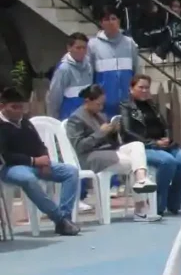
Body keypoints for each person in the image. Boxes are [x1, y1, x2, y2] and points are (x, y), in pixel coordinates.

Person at [66, 84, 159, 222]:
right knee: (133, 162)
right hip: (91, 157)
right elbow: (79, 146)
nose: (101, 108)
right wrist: (101, 132)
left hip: (109, 152)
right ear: (87, 101)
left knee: (137, 145)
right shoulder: (76, 119)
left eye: (103, 104)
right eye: (98, 104)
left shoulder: (100, 115)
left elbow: (113, 143)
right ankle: (141, 207)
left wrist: (114, 131)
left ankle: (141, 180)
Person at [0, 86, 80, 235]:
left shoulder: (25, 122)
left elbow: (39, 144)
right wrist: (33, 161)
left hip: (36, 163)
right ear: (2, 106)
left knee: (71, 172)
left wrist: (45, 160)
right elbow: (5, 156)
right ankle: (59, 218)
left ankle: (65, 218)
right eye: (14, 107)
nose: (18, 111)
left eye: (21, 107)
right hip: (11, 168)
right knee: (29, 179)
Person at [120, 74, 181, 216]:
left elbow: (164, 126)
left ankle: (174, 203)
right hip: (143, 146)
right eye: (140, 87)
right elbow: (127, 131)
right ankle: (158, 205)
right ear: (131, 89)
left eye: (147, 88)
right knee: (168, 162)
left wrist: (166, 139)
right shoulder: (126, 106)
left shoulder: (152, 105)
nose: (144, 90)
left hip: (162, 145)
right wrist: (153, 143)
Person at [88, 6, 140, 119]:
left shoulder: (129, 43)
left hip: (128, 104)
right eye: (106, 19)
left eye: (113, 18)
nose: (110, 22)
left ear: (119, 21)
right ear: (101, 23)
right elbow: (89, 76)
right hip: (104, 106)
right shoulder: (93, 45)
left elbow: (137, 73)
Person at [46, 32, 93, 120]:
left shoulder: (89, 66)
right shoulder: (63, 69)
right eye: (78, 48)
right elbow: (54, 98)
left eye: (84, 48)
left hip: (86, 117)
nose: (82, 51)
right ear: (69, 48)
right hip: (68, 117)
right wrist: (54, 120)